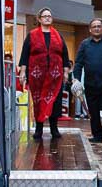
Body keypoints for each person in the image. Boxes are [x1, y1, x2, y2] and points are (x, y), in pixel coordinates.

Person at [19, 7, 70, 139]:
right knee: (38, 101)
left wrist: (66, 71)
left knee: (55, 102)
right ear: (39, 19)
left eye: (49, 16)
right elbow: (25, 54)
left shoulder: (58, 35)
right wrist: (23, 72)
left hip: (55, 76)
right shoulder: (32, 34)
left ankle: (54, 128)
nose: (47, 17)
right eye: (45, 16)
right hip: (37, 76)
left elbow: (64, 54)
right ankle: (39, 129)